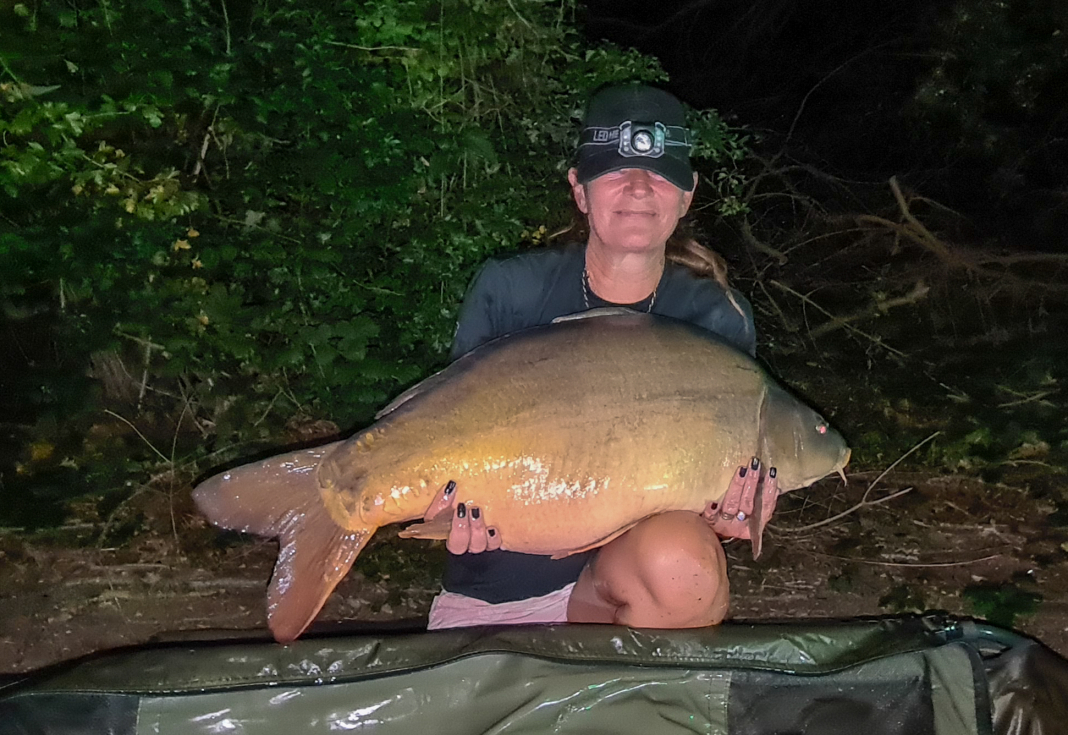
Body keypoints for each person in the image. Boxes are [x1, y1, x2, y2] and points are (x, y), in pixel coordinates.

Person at [422, 84, 778, 630]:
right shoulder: (510, 289)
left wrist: (725, 516)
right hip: (496, 590)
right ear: (580, 190)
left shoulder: (715, 316)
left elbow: (706, 492)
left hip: (618, 594)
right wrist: (445, 503)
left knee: (682, 562)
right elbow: (446, 430)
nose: (638, 188)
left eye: (660, 174)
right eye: (615, 171)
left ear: (687, 196)